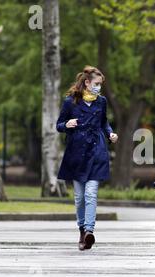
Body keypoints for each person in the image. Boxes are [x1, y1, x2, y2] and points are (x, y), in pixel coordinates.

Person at [56, 65, 118, 251]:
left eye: (101, 84)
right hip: (77, 152)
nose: (99, 87)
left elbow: (104, 122)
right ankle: (82, 230)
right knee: (79, 197)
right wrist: (67, 124)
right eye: (97, 84)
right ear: (87, 82)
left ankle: (90, 231)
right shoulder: (70, 102)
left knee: (91, 194)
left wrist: (110, 133)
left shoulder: (102, 102)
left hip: (97, 150)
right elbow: (59, 125)